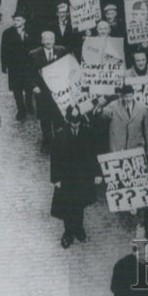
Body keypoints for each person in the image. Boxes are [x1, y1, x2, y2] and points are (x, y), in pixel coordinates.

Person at [50, 104, 101, 248]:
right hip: (66, 178)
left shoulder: (88, 132)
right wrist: (56, 179)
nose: (75, 125)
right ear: (68, 121)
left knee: (79, 205)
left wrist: (97, 173)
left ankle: (79, 228)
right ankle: (68, 232)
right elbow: (54, 158)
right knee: (67, 206)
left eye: (77, 122)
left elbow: (93, 154)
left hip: (83, 177)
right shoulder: (60, 135)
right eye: (72, 122)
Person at [30, 29, 68, 150]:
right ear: (42, 41)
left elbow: (69, 68)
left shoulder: (62, 51)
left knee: (59, 116)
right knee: (45, 118)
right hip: (42, 92)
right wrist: (34, 86)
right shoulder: (34, 54)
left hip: (59, 91)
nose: (48, 42)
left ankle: (59, 141)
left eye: (50, 39)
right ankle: (47, 141)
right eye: (45, 39)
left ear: (54, 40)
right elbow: (28, 73)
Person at [95, 84, 148, 154]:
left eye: (130, 96)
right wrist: (99, 110)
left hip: (136, 148)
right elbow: (103, 115)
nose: (129, 99)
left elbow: (147, 131)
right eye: (126, 97)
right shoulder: (114, 106)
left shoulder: (142, 109)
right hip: (118, 149)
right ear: (122, 96)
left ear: (133, 94)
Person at [0, 11, 36, 120]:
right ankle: (21, 109)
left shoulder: (31, 31)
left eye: (18, 20)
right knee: (17, 89)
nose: (16, 22)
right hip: (14, 66)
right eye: (14, 20)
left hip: (28, 66)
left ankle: (29, 104)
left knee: (29, 87)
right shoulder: (8, 33)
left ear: (24, 21)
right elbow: (4, 49)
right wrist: (4, 65)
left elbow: (35, 47)